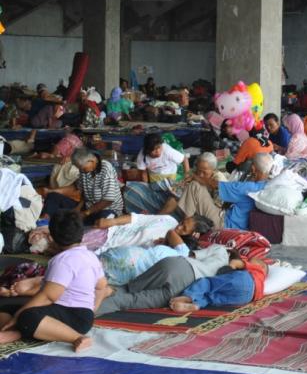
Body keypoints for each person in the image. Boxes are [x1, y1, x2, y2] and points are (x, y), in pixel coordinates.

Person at [0, 211, 108, 352]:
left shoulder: (63, 260)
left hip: (74, 317)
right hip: (82, 315)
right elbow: (102, 285)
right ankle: (17, 332)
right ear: (81, 234)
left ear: (51, 237)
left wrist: (19, 314)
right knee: (6, 305)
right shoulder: (90, 256)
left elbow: (49, 297)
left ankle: (77, 338)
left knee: (26, 316)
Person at [97, 245, 245, 315]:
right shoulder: (234, 280)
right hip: (184, 287)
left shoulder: (220, 250)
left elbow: (191, 255)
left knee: (130, 287)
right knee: (131, 300)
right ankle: (87, 310)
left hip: (175, 264)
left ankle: (98, 291)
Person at [176, 153, 272, 230]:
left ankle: (186, 228)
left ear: (253, 168)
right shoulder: (268, 185)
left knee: (194, 186)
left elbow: (215, 185)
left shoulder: (248, 187)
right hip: (240, 226)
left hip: (225, 224)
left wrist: (195, 177)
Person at [41, 147, 124, 226]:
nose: (81, 171)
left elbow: (108, 200)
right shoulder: (84, 171)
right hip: (87, 209)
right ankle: (44, 222)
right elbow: (80, 189)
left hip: (107, 209)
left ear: (91, 161)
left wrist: (85, 213)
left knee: (103, 220)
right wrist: (78, 208)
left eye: (82, 168)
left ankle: (79, 225)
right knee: (53, 197)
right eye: (79, 169)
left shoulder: (105, 168)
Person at [169, 257, 268, 313]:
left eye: (251, 259)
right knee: (211, 298)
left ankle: (189, 296)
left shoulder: (257, 269)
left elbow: (236, 262)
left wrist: (230, 267)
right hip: (246, 298)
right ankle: (196, 305)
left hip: (244, 280)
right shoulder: (262, 282)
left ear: (261, 266)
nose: (249, 260)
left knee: (208, 283)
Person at [99, 229, 192, 286]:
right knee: (95, 275)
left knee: (93, 264)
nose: (179, 227)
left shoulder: (184, 253)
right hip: (131, 272)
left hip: (130, 256)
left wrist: (165, 242)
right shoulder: (180, 261)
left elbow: (171, 233)